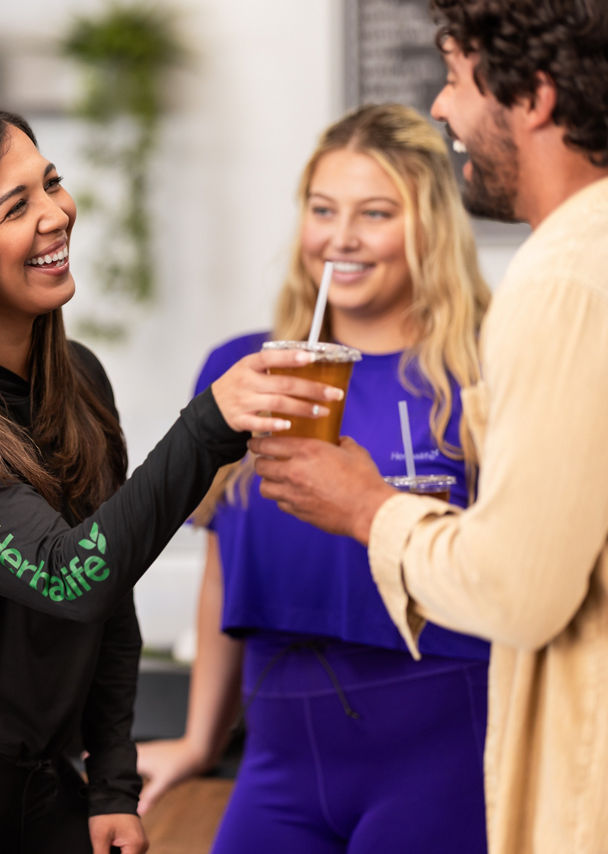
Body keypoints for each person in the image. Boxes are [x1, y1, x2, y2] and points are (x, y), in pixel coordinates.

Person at [0, 106, 341, 854]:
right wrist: (208, 426)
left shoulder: (78, 383)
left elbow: (112, 590)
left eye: (52, 183)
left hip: (35, 776)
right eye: (16, 207)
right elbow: (71, 578)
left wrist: (112, 785)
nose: (57, 214)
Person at [252, 2, 608, 852]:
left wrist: (366, 507)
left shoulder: (559, 280)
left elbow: (519, 590)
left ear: (535, 98)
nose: (440, 106)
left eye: (454, 78)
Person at [136, 103, 493, 852]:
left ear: (430, 226)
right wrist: (200, 740)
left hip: (442, 750)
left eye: (375, 213)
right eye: (323, 210)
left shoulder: (483, 371)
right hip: (278, 757)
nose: (341, 237)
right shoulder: (241, 370)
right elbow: (221, 568)